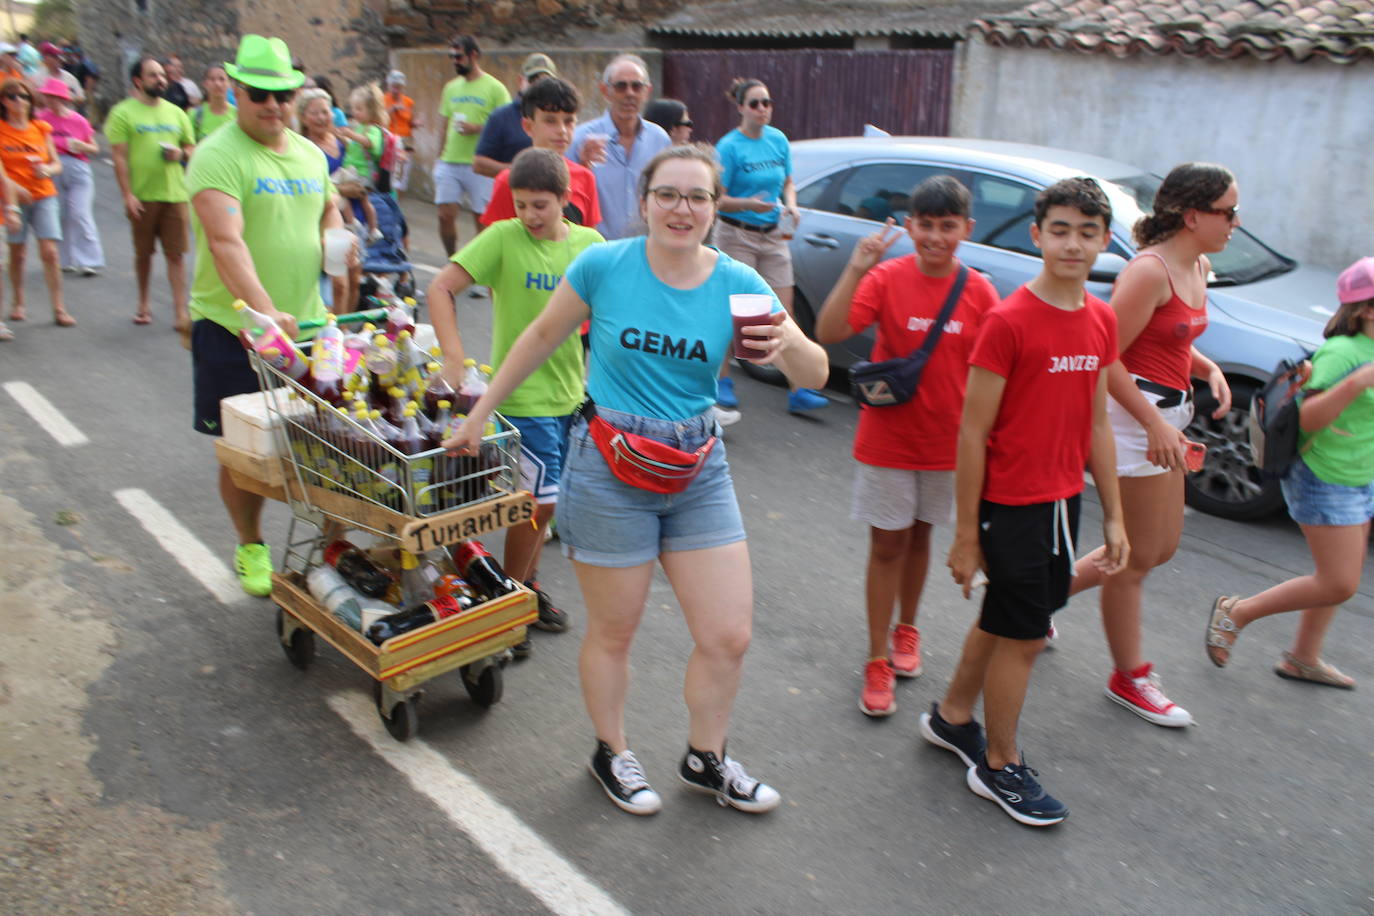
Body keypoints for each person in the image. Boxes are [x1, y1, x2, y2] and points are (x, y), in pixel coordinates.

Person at [445, 144, 828, 816]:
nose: (683, 209)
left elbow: (815, 374)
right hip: (608, 465)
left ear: (714, 207)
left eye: (698, 197)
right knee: (614, 632)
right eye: (669, 194)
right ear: (644, 201)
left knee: (728, 634)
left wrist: (788, 345)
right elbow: (537, 338)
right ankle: (611, 751)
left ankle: (706, 758)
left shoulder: (738, 282)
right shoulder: (605, 265)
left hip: (697, 468)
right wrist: (479, 413)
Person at [925, 177, 1128, 827]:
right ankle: (999, 764)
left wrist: (1116, 515)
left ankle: (952, 717)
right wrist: (965, 534)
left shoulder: (1100, 318)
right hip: (1011, 506)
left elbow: (1097, 422)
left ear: (1103, 241)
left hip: (1063, 502)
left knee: (1009, 616)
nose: (1073, 243)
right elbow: (972, 431)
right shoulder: (1009, 320)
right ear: (1037, 236)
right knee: (1025, 634)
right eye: (1061, 229)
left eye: (1088, 231)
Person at [814, 176, 1000, 717]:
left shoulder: (980, 290)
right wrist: (857, 265)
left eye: (948, 227)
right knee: (887, 547)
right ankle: (876, 658)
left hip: (950, 446)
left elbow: (997, 370)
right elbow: (829, 330)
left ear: (966, 229)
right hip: (888, 439)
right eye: (926, 225)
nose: (935, 237)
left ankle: (908, 631)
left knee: (920, 539)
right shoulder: (889, 277)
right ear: (910, 225)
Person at [1065, 163, 1237, 728]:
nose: (1236, 222)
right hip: (1131, 420)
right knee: (1134, 560)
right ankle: (1129, 677)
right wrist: (1154, 424)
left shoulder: (1198, 264)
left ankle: (1037, 597)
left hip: (1167, 416)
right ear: (1193, 216)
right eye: (1228, 212)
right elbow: (1104, 354)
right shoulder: (1150, 271)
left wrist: (1206, 367)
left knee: (1157, 548)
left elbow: (1170, 337)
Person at [187, 34, 347, 596]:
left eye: (283, 93)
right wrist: (262, 310)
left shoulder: (307, 152)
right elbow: (225, 242)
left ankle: (330, 550)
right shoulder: (216, 155)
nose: (273, 104)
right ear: (236, 90)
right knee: (246, 456)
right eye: (260, 93)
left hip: (307, 329)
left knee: (336, 450)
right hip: (234, 330)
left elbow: (328, 206)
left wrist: (336, 239)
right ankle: (250, 542)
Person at [430, 148, 604, 655]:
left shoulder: (591, 246)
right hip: (519, 397)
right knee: (536, 503)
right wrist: (454, 356)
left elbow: (616, 312)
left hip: (570, 396)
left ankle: (520, 589)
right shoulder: (503, 238)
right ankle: (508, 601)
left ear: (566, 201)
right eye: (520, 204)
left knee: (542, 507)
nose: (528, 216)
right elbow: (441, 287)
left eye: (540, 206)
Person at [1205, 257, 1374, 690]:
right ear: (1367, 309)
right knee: (1339, 582)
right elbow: (1309, 416)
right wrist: (1357, 382)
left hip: (1360, 473)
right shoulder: (1343, 353)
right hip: (1324, 477)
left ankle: (1303, 658)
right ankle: (1238, 612)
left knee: (1333, 579)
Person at [713, 78, 827, 415]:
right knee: (737, 313)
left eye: (767, 103)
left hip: (774, 233)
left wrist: (791, 204)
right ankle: (722, 382)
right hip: (737, 233)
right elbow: (715, 199)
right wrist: (747, 202)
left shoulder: (777, 140)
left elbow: (788, 182)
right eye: (755, 104)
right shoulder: (729, 146)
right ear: (740, 108)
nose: (763, 109)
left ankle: (799, 389)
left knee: (782, 314)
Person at [104, 57, 195, 331]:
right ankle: (144, 303)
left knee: (176, 254)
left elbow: (191, 149)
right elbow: (119, 157)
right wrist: (127, 194)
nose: (160, 79)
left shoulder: (177, 113)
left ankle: (180, 311)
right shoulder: (123, 113)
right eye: (153, 75)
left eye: (161, 75)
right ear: (138, 81)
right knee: (144, 254)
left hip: (175, 194)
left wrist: (181, 154)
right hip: (142, 195)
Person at [568, 54, 671, 241]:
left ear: (647, 92)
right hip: (598, 247)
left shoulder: (660, 139)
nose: (629, 93)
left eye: (636, 86)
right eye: (621, 86)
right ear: (605, 91)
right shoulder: (580, 138)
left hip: (646, 247)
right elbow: (567, 198)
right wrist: (583, 167)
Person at [479, 77, 600, 231]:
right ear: (528, 126)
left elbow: (590, 242)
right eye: (550, 121)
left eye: (569, 121)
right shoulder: (508, 181)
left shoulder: (586, 178)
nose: (562, 130)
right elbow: (494, 243)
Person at [0, 78, 71, 328]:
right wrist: (14, 189)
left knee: (50, 252)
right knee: (17, 254)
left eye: (24, 96)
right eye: (12, 97)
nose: (19, 101)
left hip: (43, 194)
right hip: (11, 200)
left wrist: (48, 170)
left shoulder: (41, 128)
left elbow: (57, 163)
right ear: (3, 102)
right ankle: (18, 301)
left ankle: (59, 307)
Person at [434, 34, 509, 257]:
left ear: (473, 55)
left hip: (481, 164)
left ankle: (479, 271)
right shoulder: (451, 88)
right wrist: (438, 160)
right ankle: (453, 261)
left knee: (482, 220)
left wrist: (476, 128)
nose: (454, 61)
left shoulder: (495, 88)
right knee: (444, 214)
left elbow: (504, 126)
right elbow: (444, 125)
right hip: (450, 161)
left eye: (458, 56)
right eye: (451, 57)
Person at [296, 88, 358, 311]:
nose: (322, 117)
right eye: (315, 113)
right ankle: (330, 326)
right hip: (322, 218)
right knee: (335, 279)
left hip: (354, 214)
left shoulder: (345, 142)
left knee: (353, 274)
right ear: (303, 118)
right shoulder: (302, 149)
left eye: (326, 111)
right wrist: (342, 189)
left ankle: (344, 326)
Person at [35, 77, 103, 277]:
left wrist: (81, 146)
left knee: (79, 212)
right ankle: (66, 259)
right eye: (47, 97)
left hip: (78, 166)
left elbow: (95, 148)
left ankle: (90, 260)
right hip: (53, 167)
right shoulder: (41, 119)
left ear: (63, 99)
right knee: (61, 213)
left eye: (53, 97)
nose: (50, 101)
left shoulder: (78, 121)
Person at [472, 52, 557, 179]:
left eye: (545, 81)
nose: (539, 86)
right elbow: (479, 164)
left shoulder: (560, 117)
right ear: (520, 81)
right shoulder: (501, 116)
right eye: (533, 80)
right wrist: (520, 170)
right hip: (510, 192)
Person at [382, 70, 417, 192]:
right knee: (394, 168)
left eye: (399, 87)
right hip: (391, 138)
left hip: (406, 138)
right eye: (394, 87)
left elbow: (410, 120)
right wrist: (393, 109)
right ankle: (393, 192)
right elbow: (381, 117)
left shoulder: (408, 102)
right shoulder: (383, 99)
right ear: (389, 86)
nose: (396, 90)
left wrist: (416, 124)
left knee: (405, 169)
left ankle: (400, 192)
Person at [189, 65, 236, 142]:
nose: (217, 84)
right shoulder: (195, 115)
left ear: (229, 83)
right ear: (205, 84)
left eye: (222, 79)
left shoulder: (238, 115)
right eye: (212, 79)